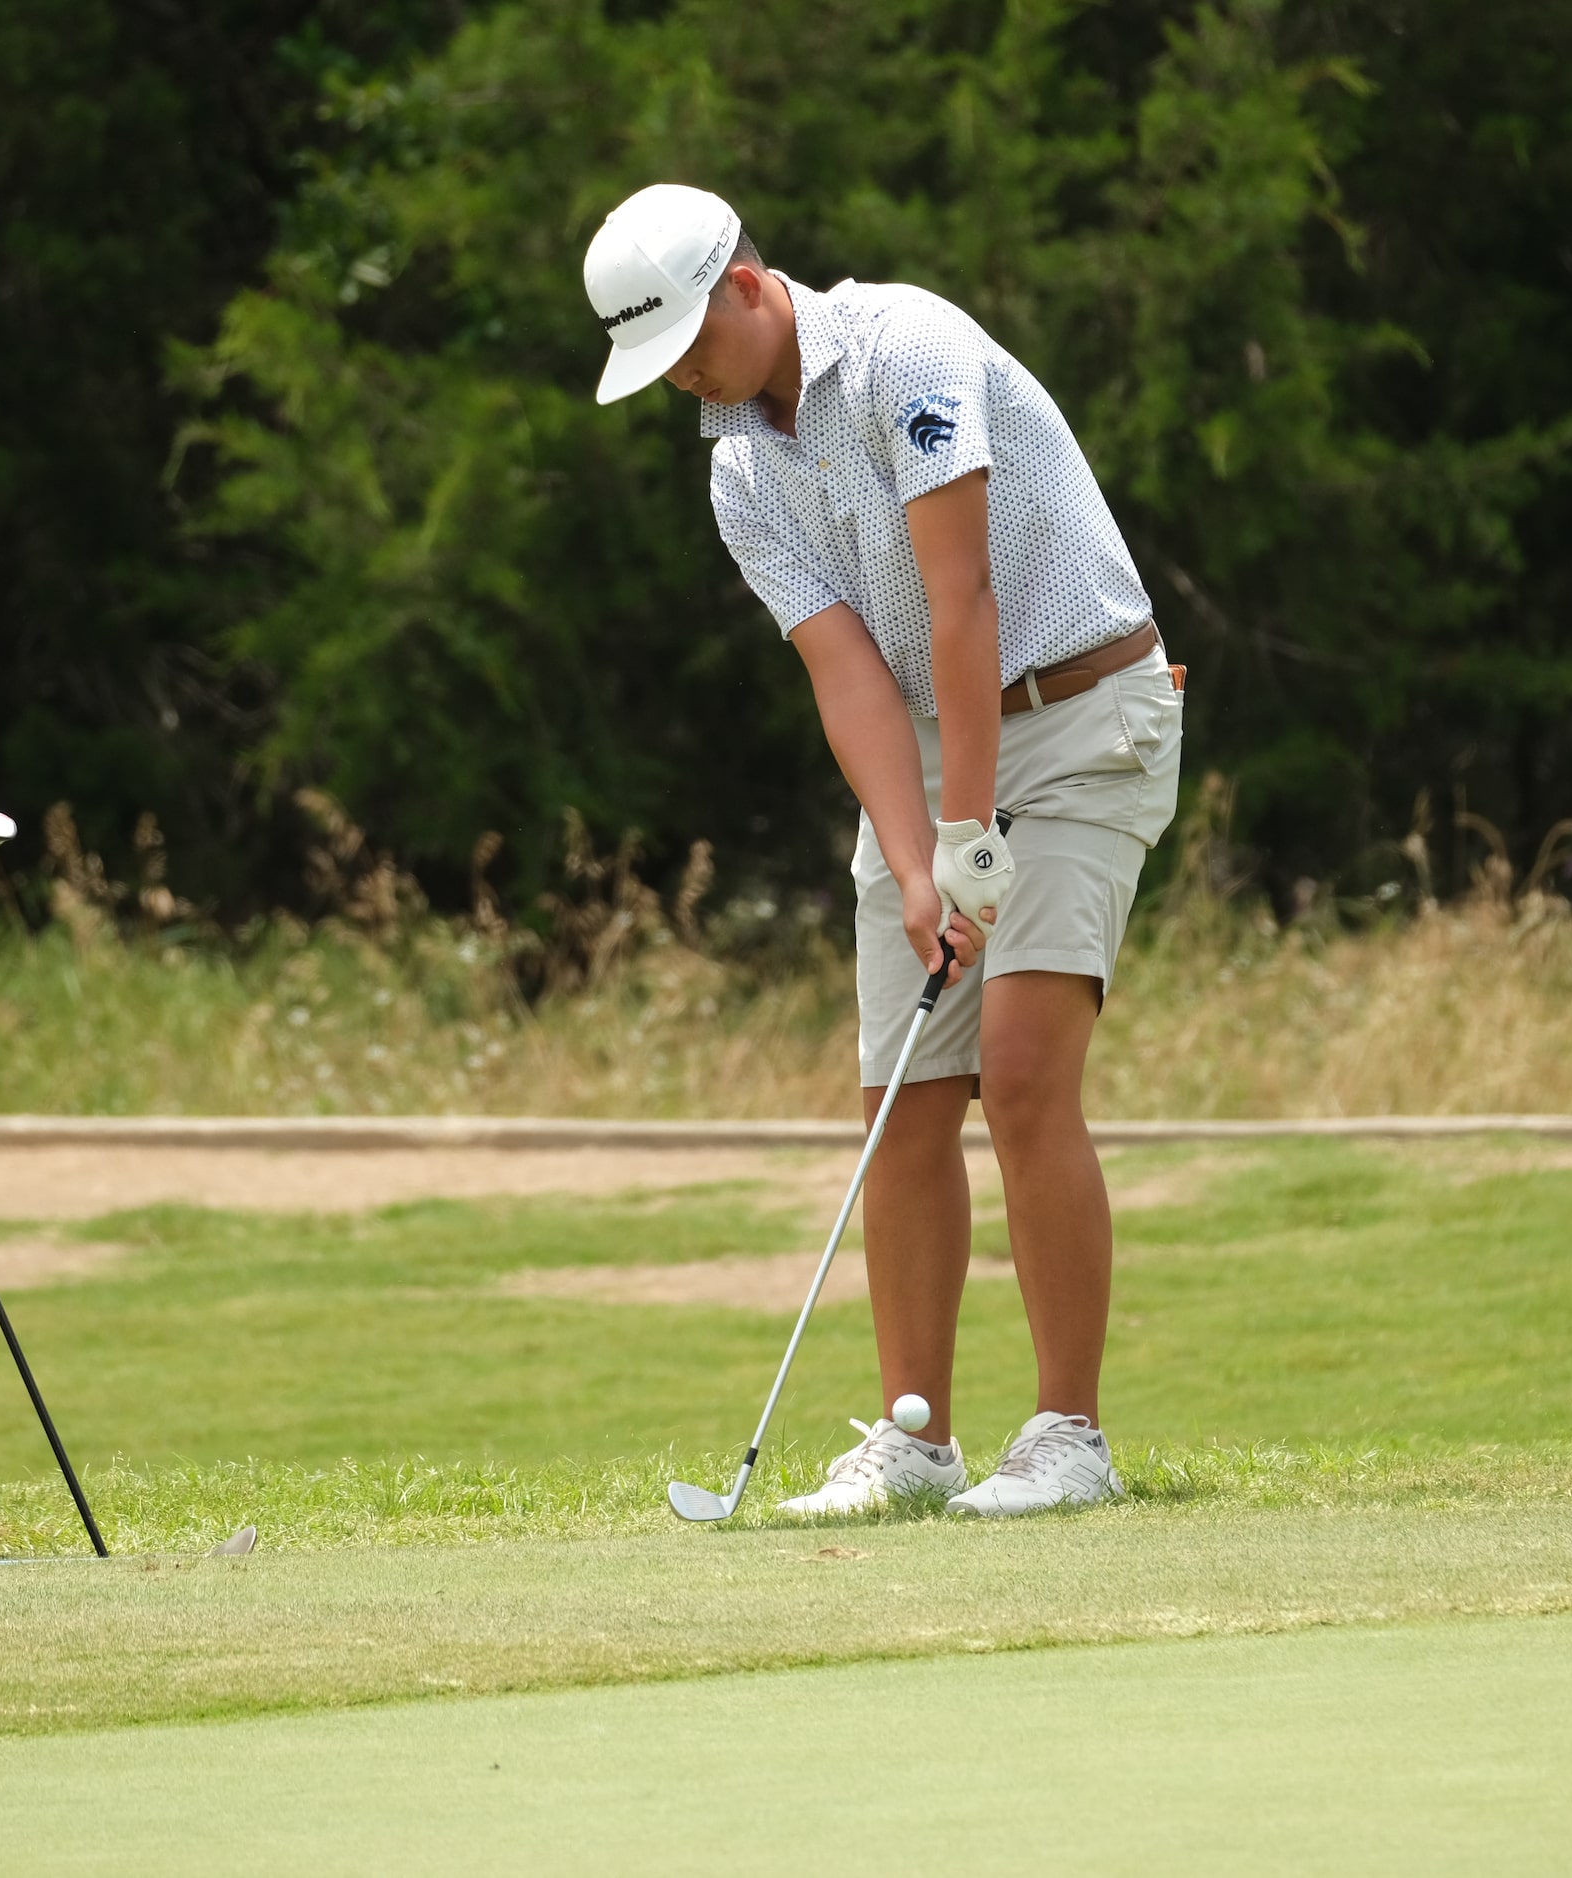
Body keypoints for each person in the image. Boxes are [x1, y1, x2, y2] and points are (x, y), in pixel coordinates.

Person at [584, 183, 1183, 1517]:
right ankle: (916, 1443)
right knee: (906, 1092)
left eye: (690, 338)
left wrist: (968, 834)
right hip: (926, 745)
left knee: (1023, 1072)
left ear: (746, 283)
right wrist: (920, 864)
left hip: (1082, 714)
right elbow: (847, 675)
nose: (685, 375)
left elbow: (959, 594)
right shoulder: (739, 467)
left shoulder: (904, 348)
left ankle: (1068, 1437)